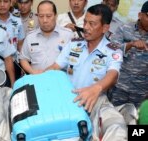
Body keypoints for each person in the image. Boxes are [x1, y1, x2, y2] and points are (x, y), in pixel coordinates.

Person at [48, 4, 127, 140]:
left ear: (105, 28)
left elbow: (113, 75)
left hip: (96, 102)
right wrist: (35, 81)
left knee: (117, 127)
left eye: (92, 24)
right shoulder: (74, 44)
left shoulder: (113, 51)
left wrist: (96, 88)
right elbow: (54, 67)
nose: (86, 27)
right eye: (85, 22)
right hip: (68, 101)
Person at [110, 1, 148, 108]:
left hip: (142, 92)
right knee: (114, 119)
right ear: (140, 15)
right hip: (119, 87)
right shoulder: (124, 28)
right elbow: (111, 49)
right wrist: (130, 45)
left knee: (136, 121)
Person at [19, 0, 74, 74]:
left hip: (60, 81)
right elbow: (23, 59)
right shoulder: (30, 37)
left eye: (48, 16)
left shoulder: (68, 35)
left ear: (55, 16)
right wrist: (32, 71)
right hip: (37, 80)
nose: (45, 20)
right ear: (37, 16)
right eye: (41, 16)